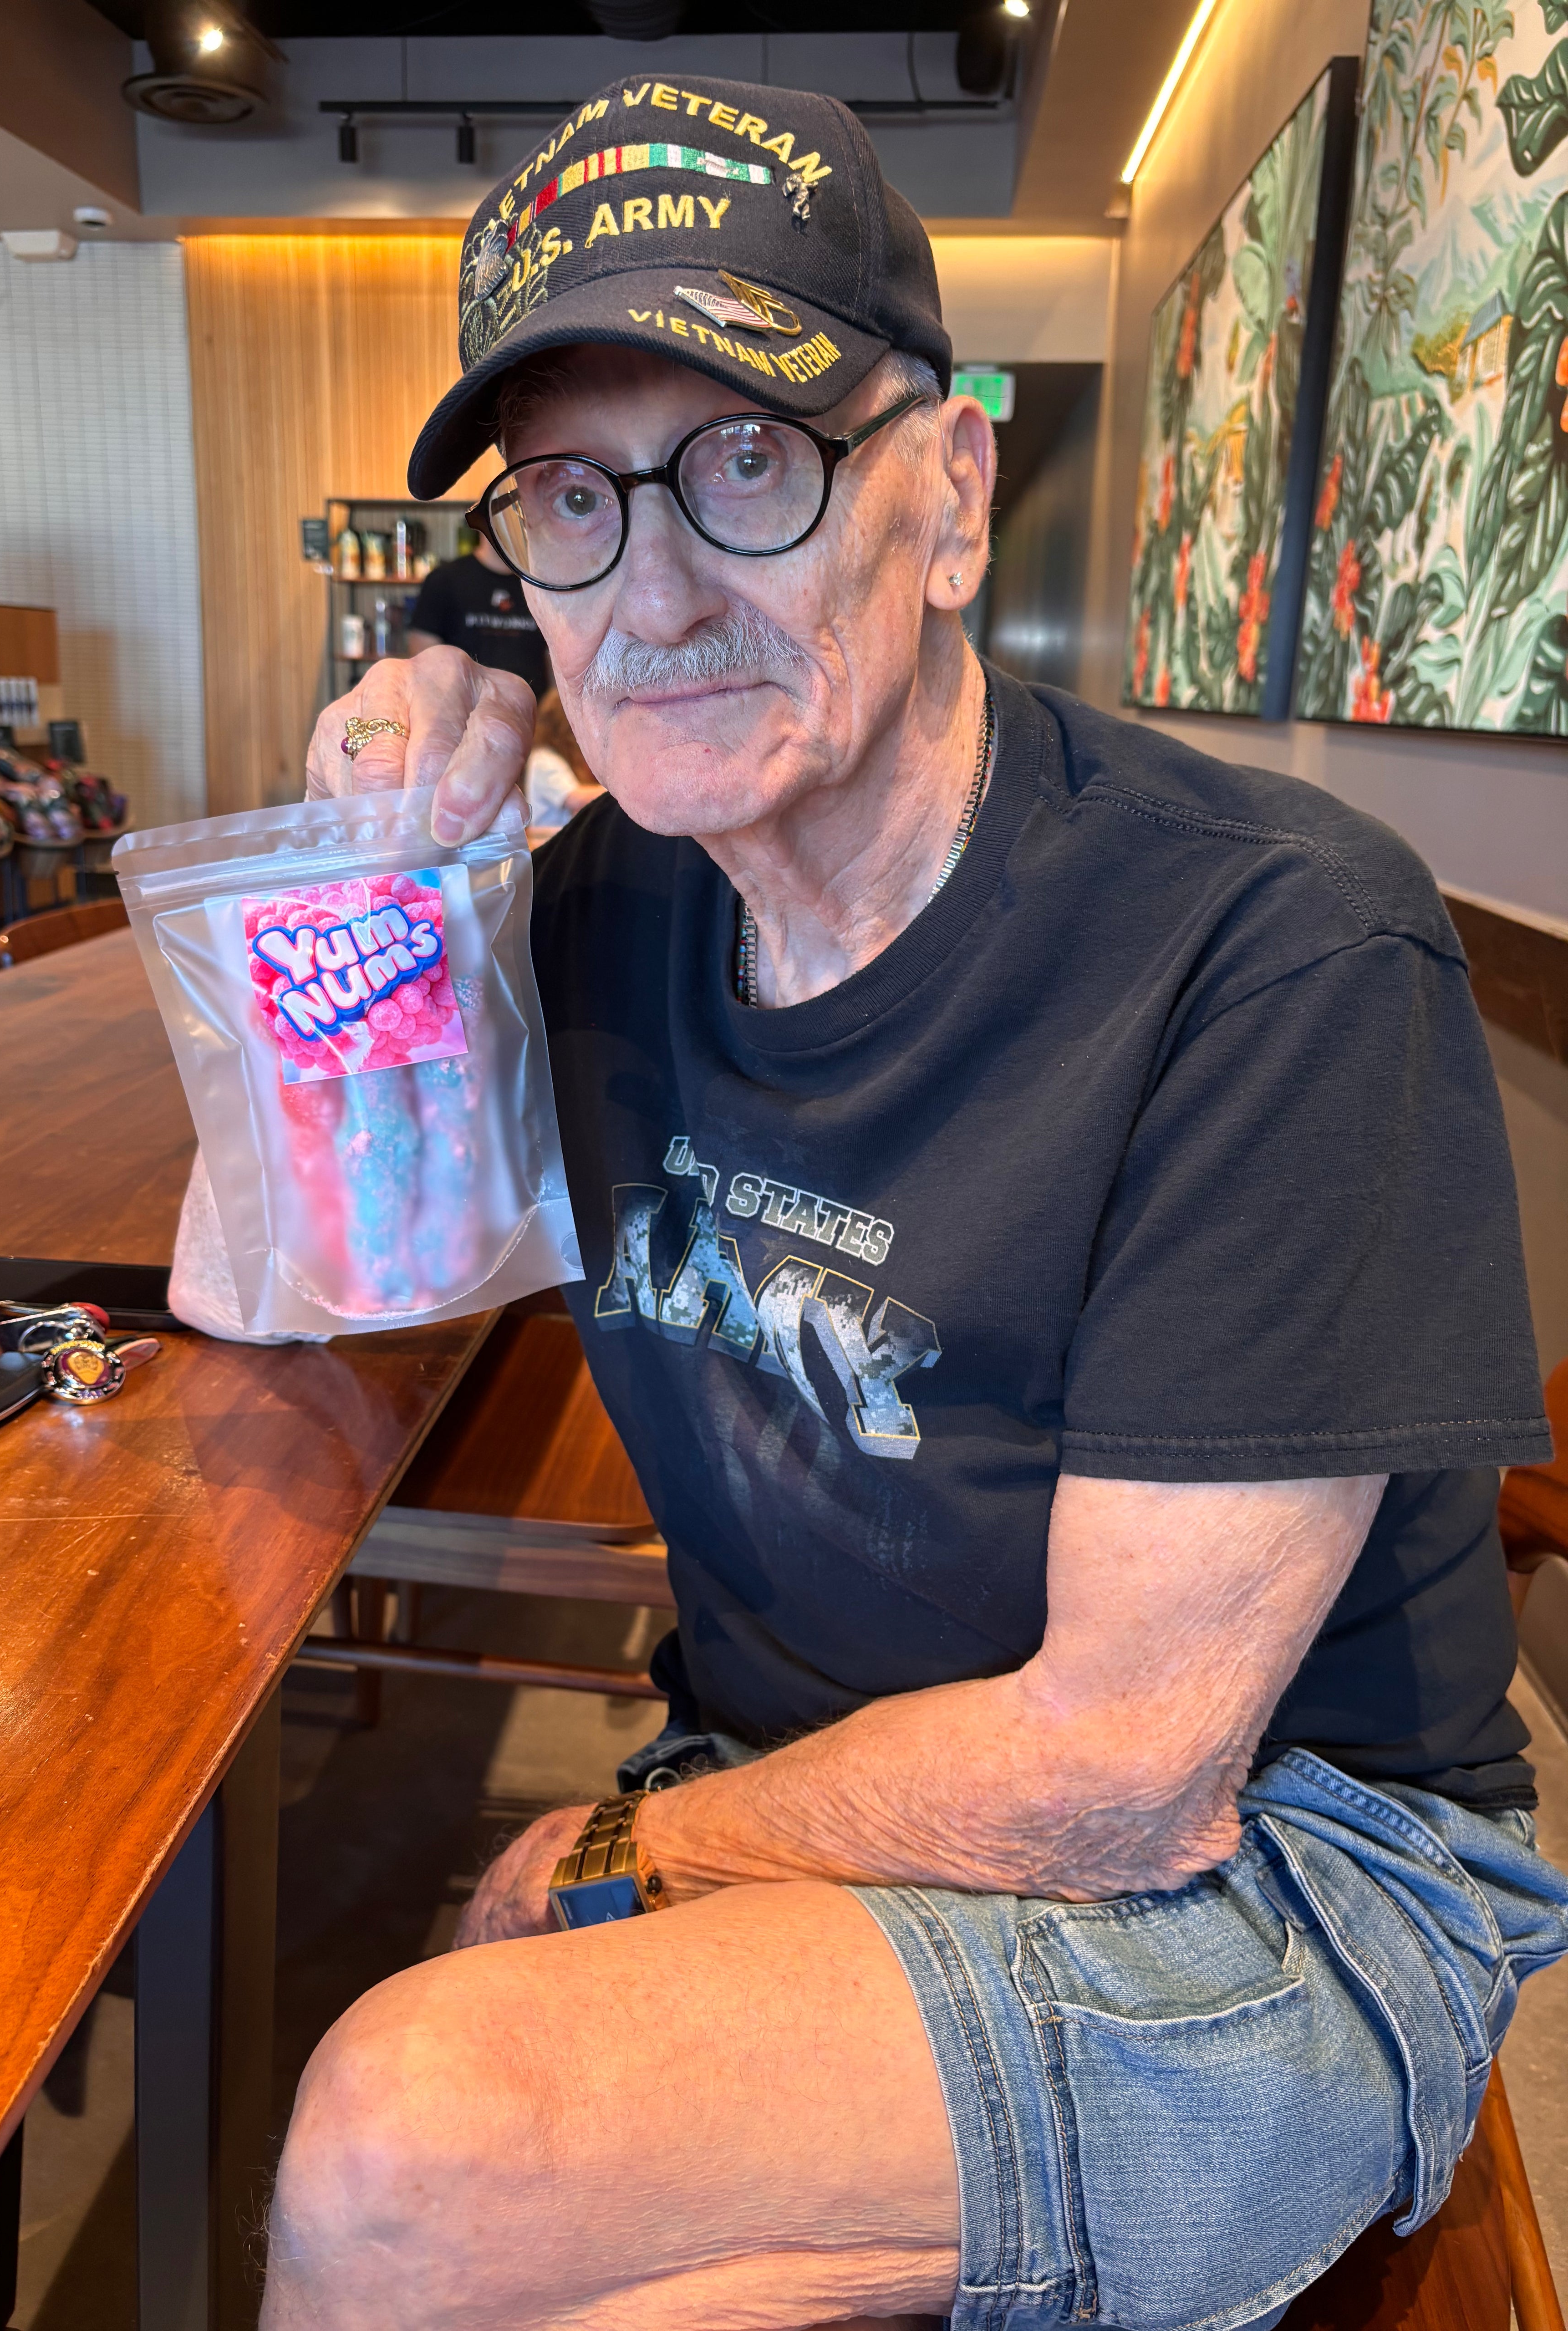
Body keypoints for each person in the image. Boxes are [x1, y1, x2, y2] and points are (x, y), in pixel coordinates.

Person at [267, 74, 1568, 2331]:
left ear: (952, 493)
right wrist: (390, 841)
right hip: (832, 1782)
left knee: (408, 2147)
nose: (656, 591)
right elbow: (310, 1249)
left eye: (748, 464)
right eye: (572, 501)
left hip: (1287, 1865)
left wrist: (605, 1847)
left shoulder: (1270, 949)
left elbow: (1125, 1774)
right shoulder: (594, 915)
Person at [405, 529, 548, 696]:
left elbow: (555, 661)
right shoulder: (444, 580)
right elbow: (425, 665)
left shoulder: (546, 584)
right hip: (463, 717)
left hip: (537, 716)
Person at [525, 685, 604, 831]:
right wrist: (616, 792)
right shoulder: (544, 759)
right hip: (550, 840)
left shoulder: (564, 757)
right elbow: (574, 798)